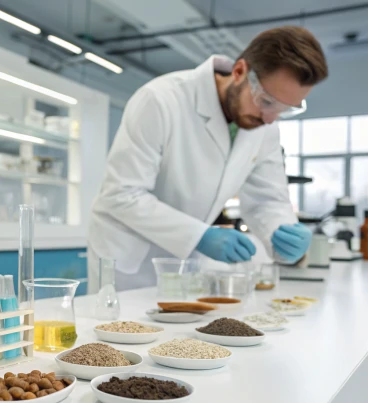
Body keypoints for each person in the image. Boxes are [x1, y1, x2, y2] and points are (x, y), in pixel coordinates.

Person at [87, 26, 328, 292]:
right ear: (239, 72)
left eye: (286, 110)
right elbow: (122, 195)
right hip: (128, 260)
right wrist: (199, 235)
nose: (271, 118)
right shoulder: (160, 100)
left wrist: (283, 232)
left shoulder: (266, 124)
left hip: (186, 260)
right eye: (267, 102)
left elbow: (267, 200)